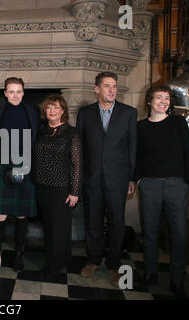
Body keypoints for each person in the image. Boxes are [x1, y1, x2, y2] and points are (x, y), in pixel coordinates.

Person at [76, 71, 137, 287]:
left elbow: (132, 148)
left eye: (114, 86)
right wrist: (80, 178)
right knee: (92, 223)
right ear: (97, 89)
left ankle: (113, 265)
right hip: (91, 180)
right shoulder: (85, 114)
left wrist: (131, 178)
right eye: (107, 86)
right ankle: (93, 260)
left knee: (117, 225)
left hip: (118, 180)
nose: (112, 90)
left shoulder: (129, 113)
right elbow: (79, 148)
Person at [136, 85, 189, 298]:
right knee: (150, 233)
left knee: (179, 234)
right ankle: (150, 273)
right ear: (149, 101)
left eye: (167, 98)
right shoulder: (140, 127)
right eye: (158, 97)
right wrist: (139, 179)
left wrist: (187, 181)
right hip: (149, 185)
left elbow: (188, 151)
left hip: (176, 185)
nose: (163, 101)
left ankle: (177, 279)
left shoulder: (178, 122)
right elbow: (136, 155)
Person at [33, 94, 82, 280]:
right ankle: (59, 259)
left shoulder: (71, 133)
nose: (52, 111)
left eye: (56, 107)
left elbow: (76, 164)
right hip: (42, 188)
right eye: (49, 108)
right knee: (49, 228)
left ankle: (54, 266)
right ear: (45, 111)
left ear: (63, 111)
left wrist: (75, 192)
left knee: (59, 229)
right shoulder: (41, 131)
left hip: (62, 188)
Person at [0, 77, 39, 272]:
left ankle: (18, 255)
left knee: (21, 214)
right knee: (0, 214)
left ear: (23, 92)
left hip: (25, 165)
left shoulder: (33, 112)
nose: (15, 95)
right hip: (3, 164)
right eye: (11, 91)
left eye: (18, 91)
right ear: (5, 93)